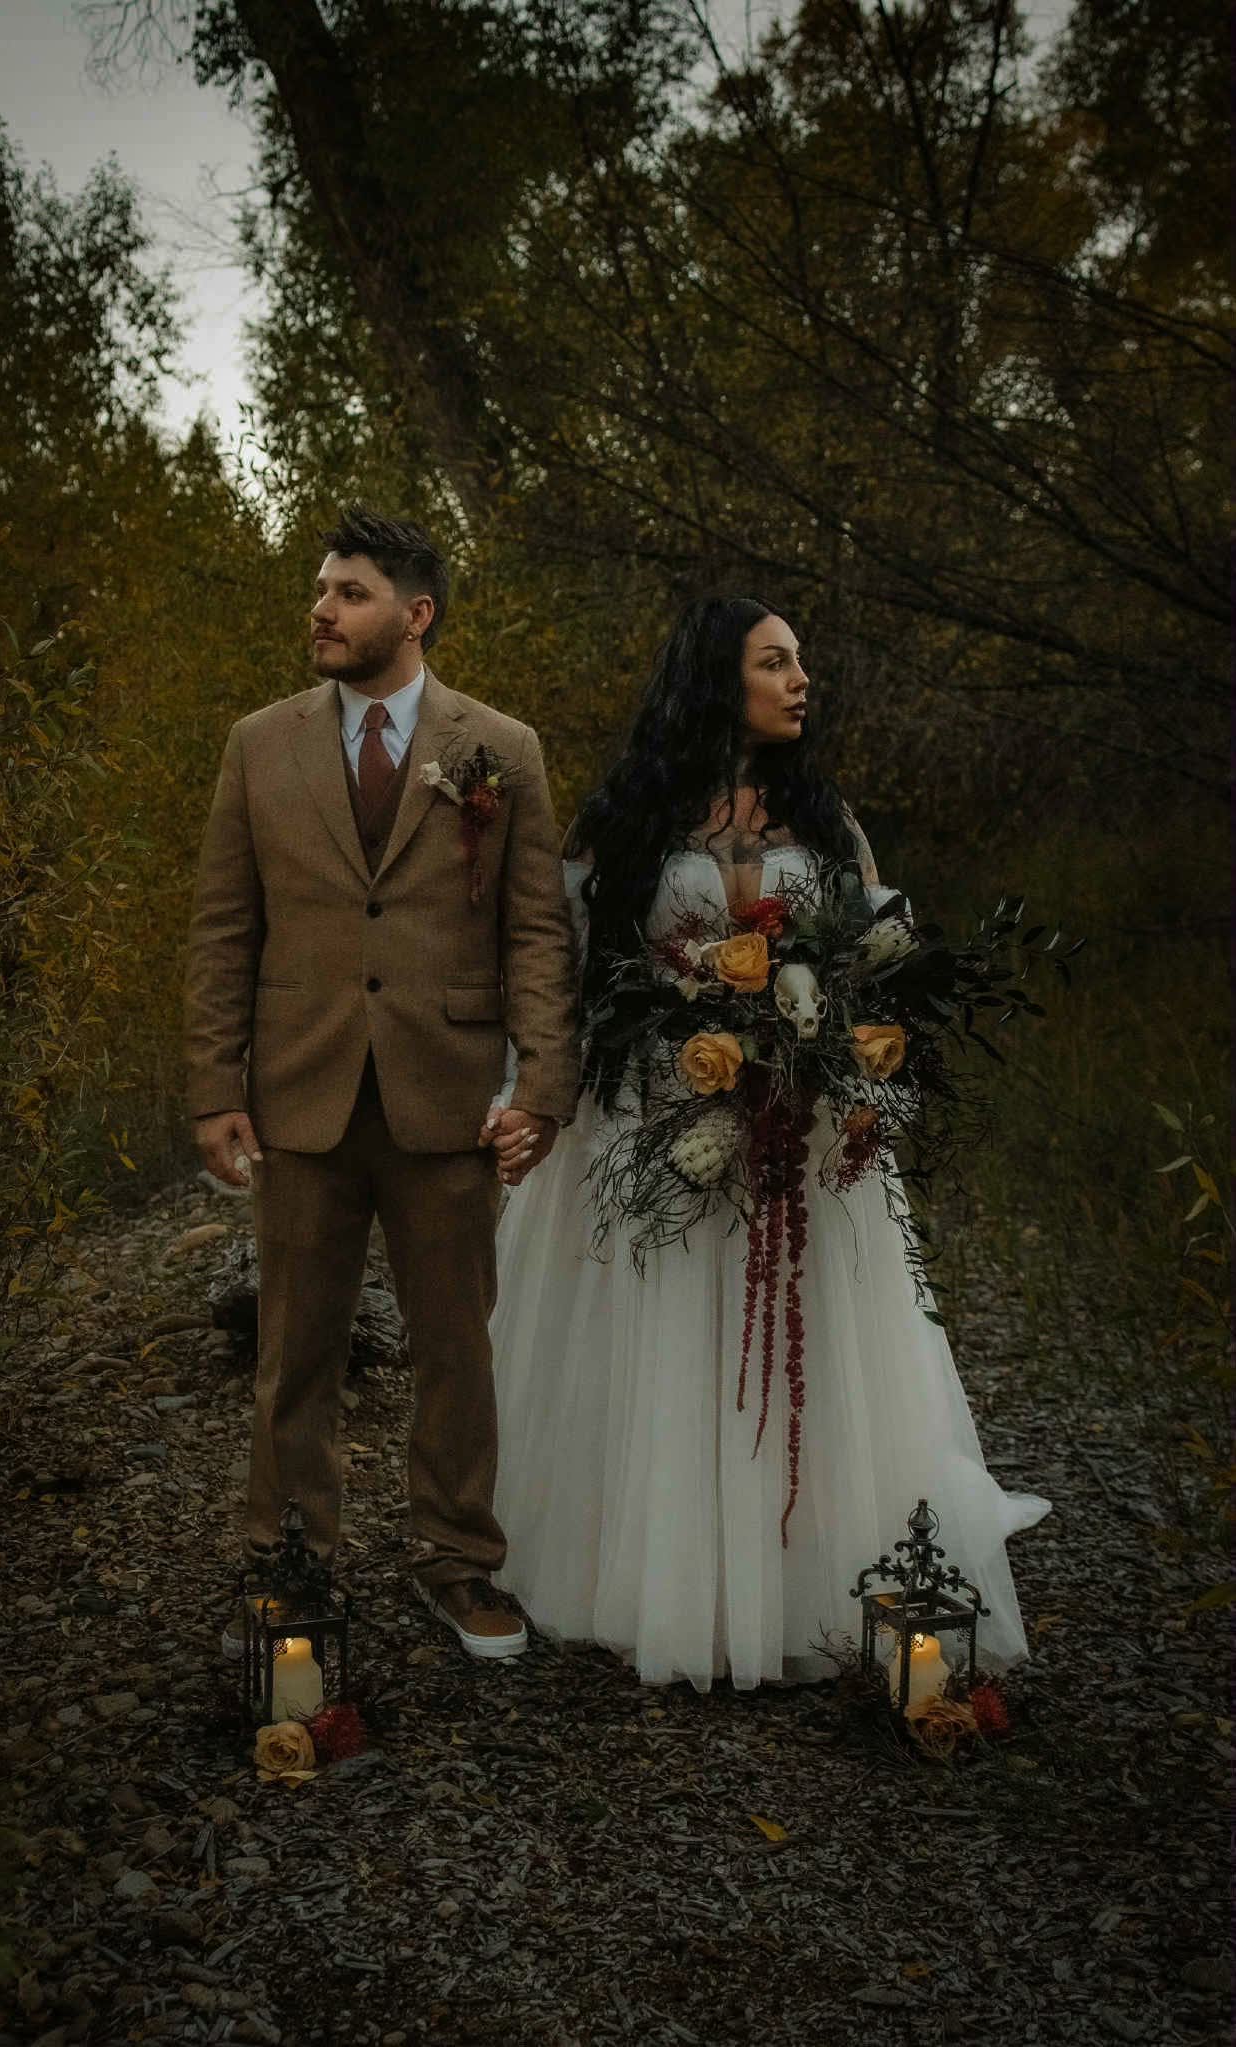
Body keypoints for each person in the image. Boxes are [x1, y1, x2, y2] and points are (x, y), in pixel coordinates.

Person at [489, 597, 1050, 1691]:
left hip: (791, 1124)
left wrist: (855, 1075)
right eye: (776, 662)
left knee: (806, 1346)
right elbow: (565, 974)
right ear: (718, 676)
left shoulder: (825, 820)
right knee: (656, 1342)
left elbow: (875, 964)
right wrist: (552, 1088)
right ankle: (658, 1570)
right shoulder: (628, 819)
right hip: (659, 1119)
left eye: (801, 663)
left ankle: (799, 1575)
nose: (802, 682)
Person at [183, 506, 579, 1661]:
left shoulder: (502, 748)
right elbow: (221, 930)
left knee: (456, 1348)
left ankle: (457, 1564)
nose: (321, 609)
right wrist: (216, 1087)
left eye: (348, 593)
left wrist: (541, 1087)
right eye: (319, 590)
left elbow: (540, 935)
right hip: (301, 1096)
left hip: (447, 1100)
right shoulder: (257, 744)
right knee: (293, 1350)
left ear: (415, 615)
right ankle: (289, 1565)